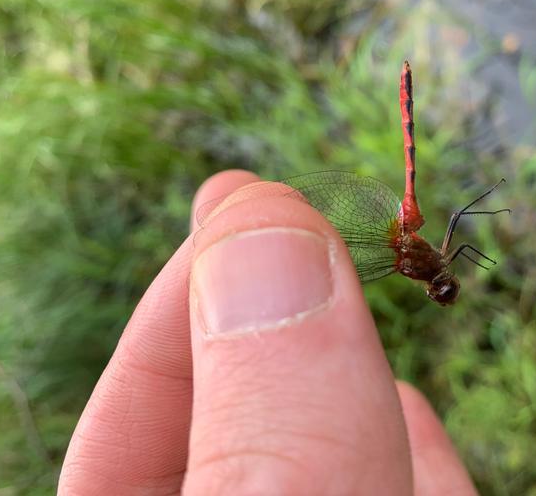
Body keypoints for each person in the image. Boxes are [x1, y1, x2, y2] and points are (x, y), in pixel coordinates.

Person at [58, 170, 478, 495]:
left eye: (440, 289)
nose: (442, 285)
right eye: (442, 289)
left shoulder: (415, 262)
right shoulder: (411, 259)